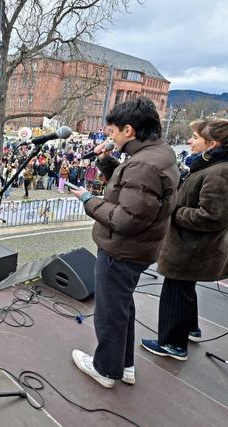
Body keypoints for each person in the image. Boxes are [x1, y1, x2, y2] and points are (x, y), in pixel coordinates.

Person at [69, 97, 179, 388]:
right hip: (137, 248)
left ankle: (105, 369)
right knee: (122, 307)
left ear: (129, 130)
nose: (110, 136)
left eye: (113, 131)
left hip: (122, 248)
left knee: (109, 312)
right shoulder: (156, 154)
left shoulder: (145, 165)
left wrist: (88, 200)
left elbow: (125, 218)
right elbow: (129, 188)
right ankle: (124, 365)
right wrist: (106, 159)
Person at [141, 119, 228, 360]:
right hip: (191, 247)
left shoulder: (219, 172)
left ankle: (172, 344)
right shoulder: (210, 167)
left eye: (195, 138)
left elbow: (212, 217)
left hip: (191, 249)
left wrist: (174, 211)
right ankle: (191, 328)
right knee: (184, 290)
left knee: (176, 292)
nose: (189, 141)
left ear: (213, 144)